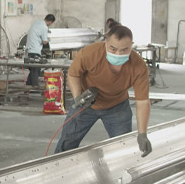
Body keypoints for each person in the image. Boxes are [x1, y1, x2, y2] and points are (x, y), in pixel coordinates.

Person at [54, 24, 152, 156]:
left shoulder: (138, 66)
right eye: (113, 49)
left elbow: (143, 101)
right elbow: (73, 75)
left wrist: (142, 133)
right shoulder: (90, 53)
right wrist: (78, 97)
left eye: (124, 50)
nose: (118, 54)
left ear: (131, 45)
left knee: (122, 146)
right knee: (67, 143)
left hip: (117, 106)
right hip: (86, 103)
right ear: (106, 42)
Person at [25, 14, 56, 87]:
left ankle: (28, 85)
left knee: (33, 69)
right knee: (36, 69)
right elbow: (44, 41)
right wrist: (51, 40)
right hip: (35, 50)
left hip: (29, 49)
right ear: (51, 22)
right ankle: (34, 87)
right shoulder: (44, 27)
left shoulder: (37, 22)